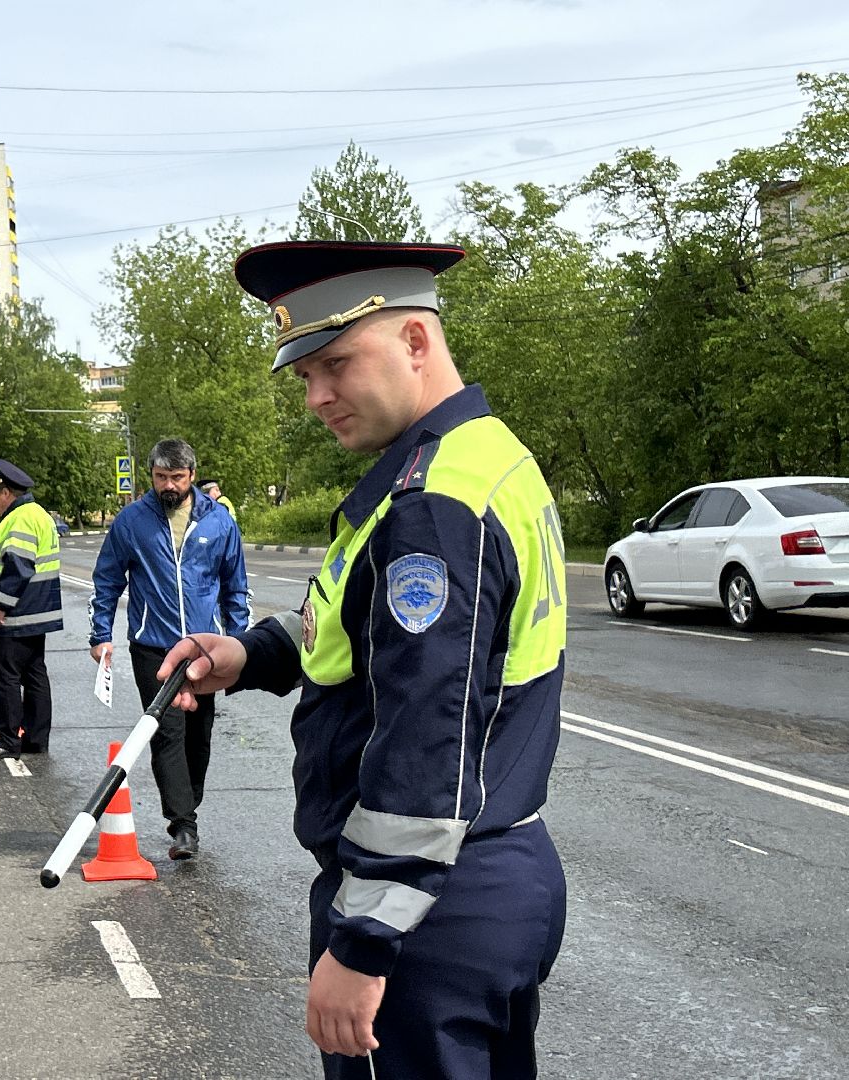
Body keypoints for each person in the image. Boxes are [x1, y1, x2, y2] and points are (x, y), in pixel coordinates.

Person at [157, 241, 569, 1078]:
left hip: (431, 905)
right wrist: (251, 652)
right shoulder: (477, 459)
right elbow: (350, 629)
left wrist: (367, 941)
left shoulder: (431, 505)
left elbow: (428, 733)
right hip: (483, 880)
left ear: (416, 340)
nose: (316, 396)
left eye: (336, 363)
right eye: (304, 373)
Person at [89, 438, 249, 859]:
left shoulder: (219, 522)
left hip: (204, 649)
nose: (169, 485)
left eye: (177, 477)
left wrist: (241, 642)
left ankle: (187, 806)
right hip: (153, 648)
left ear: (192, 476)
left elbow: (235, 587)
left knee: (199, 736)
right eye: (161, 477)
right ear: (152, 477)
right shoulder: (131, 522)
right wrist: (100, 634)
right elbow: (107, 580)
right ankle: (183, 826)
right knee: (167, 733)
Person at [0, 458, 64, 761]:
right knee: (34, 673)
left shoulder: (19, 519)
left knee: (3, 674)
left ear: (6, 493)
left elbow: (19, 567)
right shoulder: (39, 514)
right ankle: (35, 738)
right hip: (38, 612)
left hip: (17, 615)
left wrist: (0, 605)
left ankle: (7, 739)